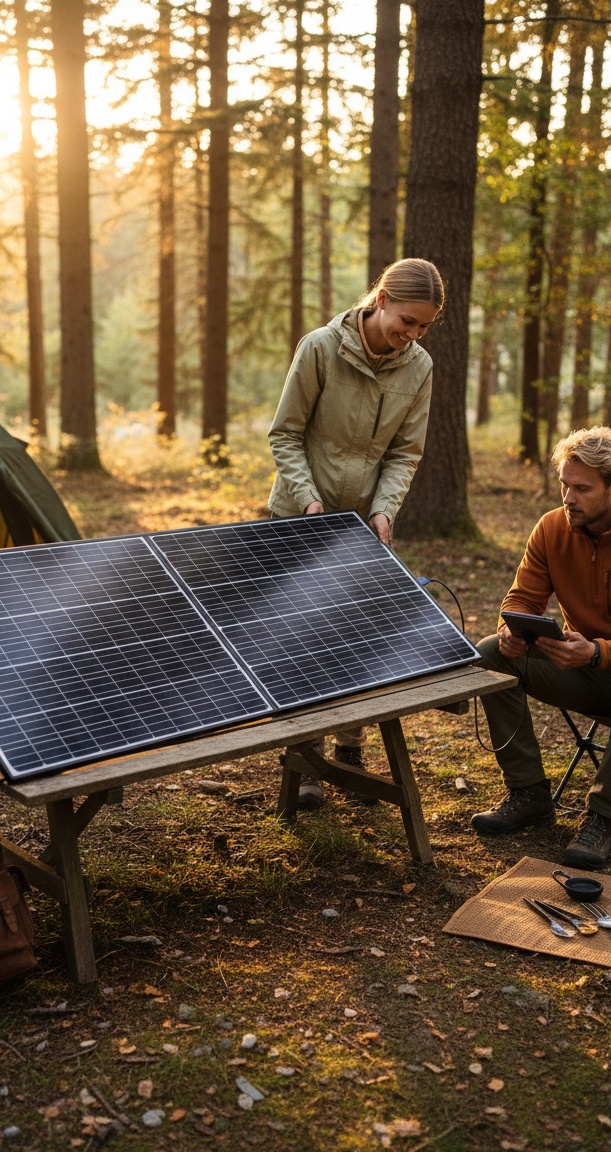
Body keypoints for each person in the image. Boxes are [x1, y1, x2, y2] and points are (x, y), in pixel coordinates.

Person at [472, 426, 611, 867]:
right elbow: (520, 599)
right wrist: (510, 630)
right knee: (488, 653)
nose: (567, 498)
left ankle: (602, 819)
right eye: (563, 485)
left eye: (581, 488)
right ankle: (529, 793)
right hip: (582, 668)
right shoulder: (553, 528)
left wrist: (597, 652)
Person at [267, 257, 444, 808]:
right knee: (302, 641)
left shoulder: (419, 368)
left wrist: (384, 510)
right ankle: (308, 759)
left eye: (423, 327)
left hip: (364, 526)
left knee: (355, 638)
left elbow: (405, 452)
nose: (411, 335)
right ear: (383, 297)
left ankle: (350, 747)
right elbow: (285, 435)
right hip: (301, 516)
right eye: (407, 321)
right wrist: (309, 501)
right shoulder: (319, 347)